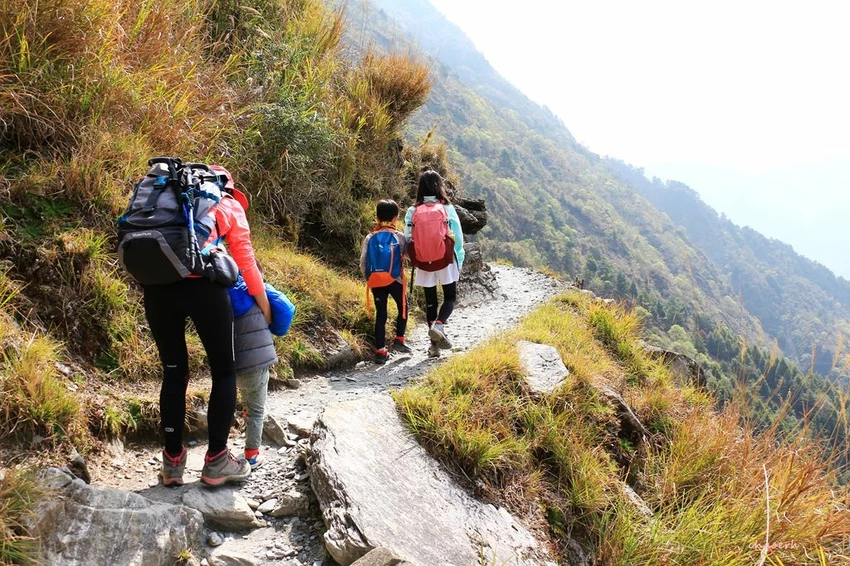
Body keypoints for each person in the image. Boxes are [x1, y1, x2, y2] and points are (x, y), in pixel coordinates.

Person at [151, 164, 271, 487]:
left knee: (174, 372)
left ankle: (172, 464)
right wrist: (265, 307)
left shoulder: (170, 197)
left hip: (158, 287)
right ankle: (217, 461)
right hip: (204, 285)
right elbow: (245, 262)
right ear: (227, 186)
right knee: (223, 371)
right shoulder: (228, 202)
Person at [404, 170, 465, 358]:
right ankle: (439, 324)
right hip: (445, 259)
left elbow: (408, 238)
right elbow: (458, 237)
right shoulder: (447, 208)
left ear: (420, 188)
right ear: (439, 186)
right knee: (449, 298)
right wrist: (459, 258)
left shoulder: (413, 210)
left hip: (423, 261)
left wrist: (414, 258)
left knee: (431, 302)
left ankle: (434, 347)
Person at [361, 199, 411, 364]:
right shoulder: (400, 236)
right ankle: (399, 340)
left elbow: (363, 261)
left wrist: (369, 278)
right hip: (395, 280)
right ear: (396, 218)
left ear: (377, 217)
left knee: (381, 314)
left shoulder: (370, 237)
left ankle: (381, 351)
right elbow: (410, 256)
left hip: (376, 281)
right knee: (403, 307)